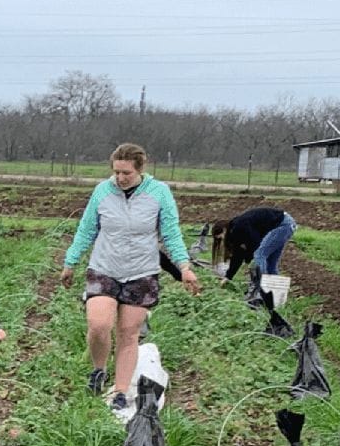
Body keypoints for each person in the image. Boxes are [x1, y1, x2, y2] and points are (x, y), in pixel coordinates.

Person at [60, 143, 199, 415]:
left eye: (126, 173)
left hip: (141, 272)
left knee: (128, 333)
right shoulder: (103, 191)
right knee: (99, 324)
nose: (120, 178)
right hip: (104, 267)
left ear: (140, 170)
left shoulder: (159, 193)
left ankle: (120, 391)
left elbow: (171, 234)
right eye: (116, 173)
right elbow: (86, 229)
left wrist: (184, 267)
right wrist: (70, 262)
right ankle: (99, 370)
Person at [211, 207, 297, 282]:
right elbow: (238, 255)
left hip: (282, 224)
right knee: (271, 263)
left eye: (220, 237)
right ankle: (273, 292)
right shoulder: (237, 227)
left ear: (224, 230)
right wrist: (228, 276)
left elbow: (256, 243)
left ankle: (261, 288)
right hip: (286, 223)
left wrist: (249, 257)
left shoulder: (238, 227)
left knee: (259, 255)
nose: (222, 239)